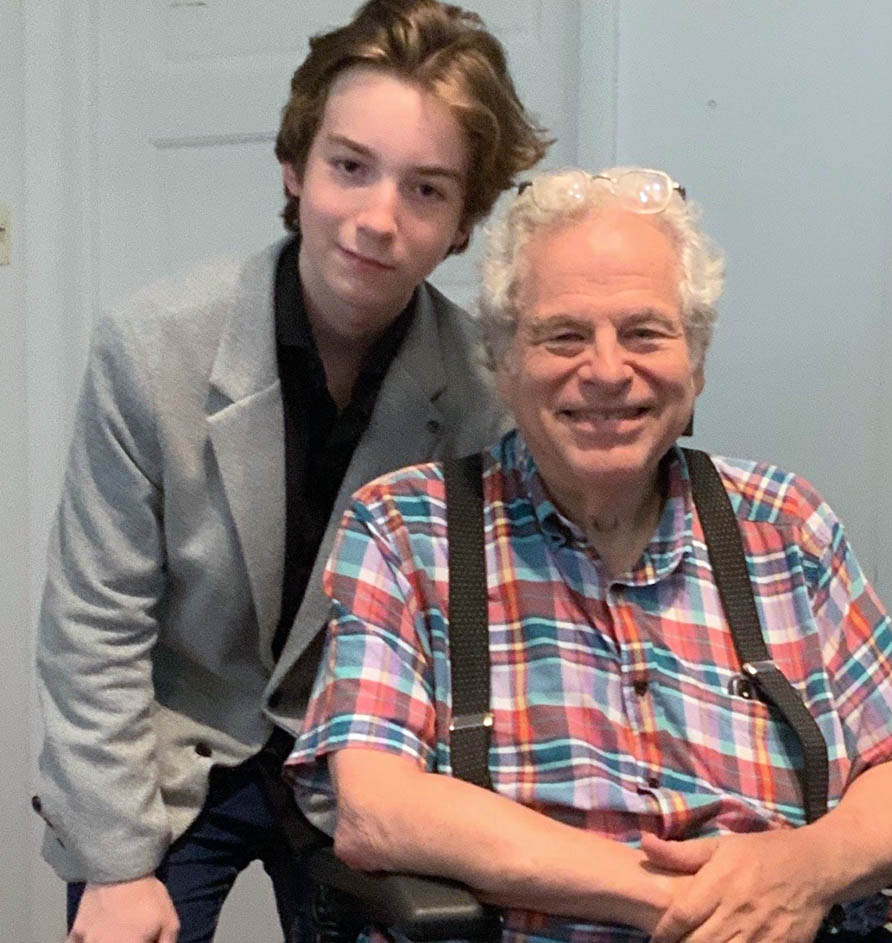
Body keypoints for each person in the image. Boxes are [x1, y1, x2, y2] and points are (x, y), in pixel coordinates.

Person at [286, 167, 892, 943]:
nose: (607, 370)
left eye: (645, 332)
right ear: (503, 364)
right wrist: (699, 905)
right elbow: (377, 809)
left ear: (695, 361)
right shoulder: (407, 529)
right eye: (563, 335)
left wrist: (804, 868)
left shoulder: (785, 520)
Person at [34, 2, 549, 940]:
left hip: (367, 756)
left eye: (427, 190)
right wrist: (114, 868)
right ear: (295, 165)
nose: (377, 220)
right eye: (349, 167)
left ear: (466, 224)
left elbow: (474, 641)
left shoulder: (485, 394)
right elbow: (92, 627)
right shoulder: (150, 348)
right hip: (170, 745)